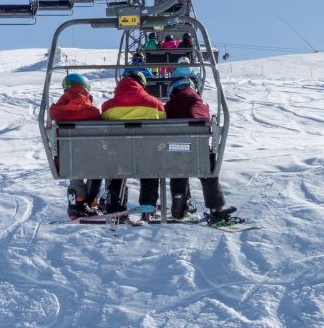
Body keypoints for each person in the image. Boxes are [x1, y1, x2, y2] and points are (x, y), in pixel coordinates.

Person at [163, 75, 236, 223]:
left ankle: (178, 206)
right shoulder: (201, 106)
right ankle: (216, 209)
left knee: (178, 165)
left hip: (175, 153)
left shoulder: (168, 107)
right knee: (209, 169)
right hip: (199, 152)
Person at [101, 69, 167, 213]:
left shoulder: (107, 106)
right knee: (150, 162)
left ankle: (114, 203)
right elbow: (163, 126)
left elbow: (104, 129)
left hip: (118, 154)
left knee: (117, 163)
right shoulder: (155, 104)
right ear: (142, 85)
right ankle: (148, 203)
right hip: (147, 152)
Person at [49, 72, 102, 218]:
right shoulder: (92, 112)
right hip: (91, 155)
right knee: (97, 172)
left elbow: (50, 131)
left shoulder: (55, 111)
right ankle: (90, 203)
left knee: (74, 169)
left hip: (66, 158)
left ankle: (75, 205)